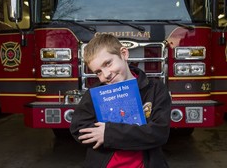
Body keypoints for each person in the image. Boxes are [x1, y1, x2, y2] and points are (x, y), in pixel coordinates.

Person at [70, 34, 171, 168]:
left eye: (108, 63)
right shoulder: (94, 93)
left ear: (124, 54)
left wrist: (108, 134)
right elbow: (78, 128)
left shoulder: (155, 89)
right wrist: (138, 133)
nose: (106, 75)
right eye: (98, 72)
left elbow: (159, 133)